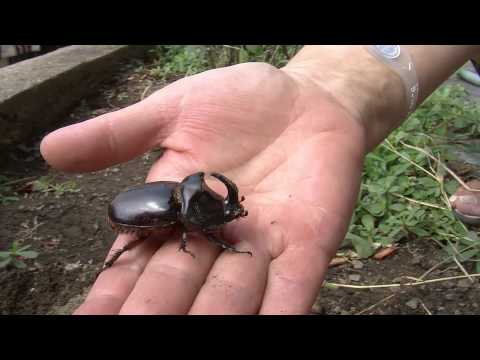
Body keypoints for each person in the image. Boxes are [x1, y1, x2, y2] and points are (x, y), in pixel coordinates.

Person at [40, 45, 480, 315]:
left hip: (156, 205)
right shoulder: (181, 216)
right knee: (144, 244)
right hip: (131, 216)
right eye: (222, 209)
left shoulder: (187, 199)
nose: (229, 210)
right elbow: (194, 227)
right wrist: (337, 85)